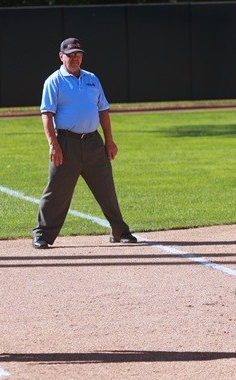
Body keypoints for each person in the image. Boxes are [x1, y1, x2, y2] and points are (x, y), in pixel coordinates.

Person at [31, 38, 137, 249]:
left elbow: (103, 111)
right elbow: (47, 115)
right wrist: (54, 144)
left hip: (93, 142)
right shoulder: (54, 81)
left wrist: (109, 141)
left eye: (78, 54)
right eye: (70, 55)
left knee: (106, 189)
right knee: (57, 191)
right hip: (66, 143)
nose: (75, 58)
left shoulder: (92, 79)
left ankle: (119, 231)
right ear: (61, 56)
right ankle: (42, 234)